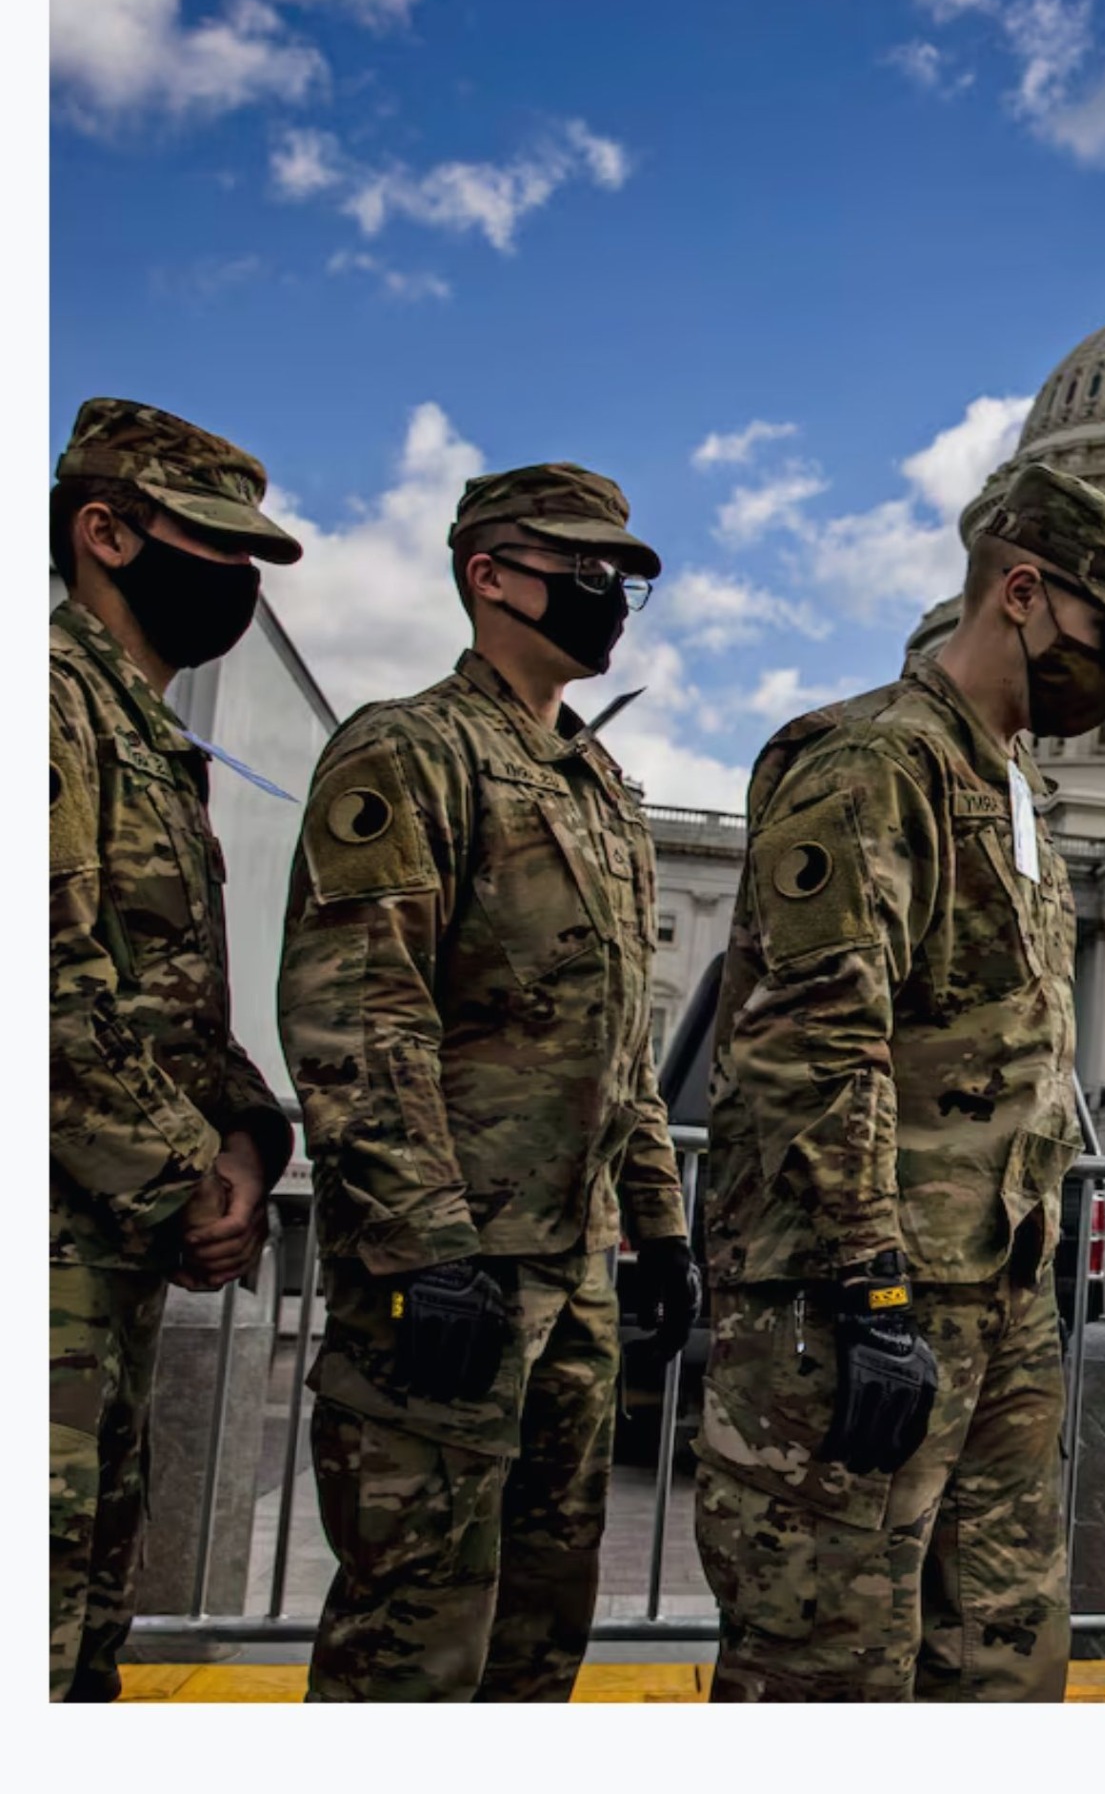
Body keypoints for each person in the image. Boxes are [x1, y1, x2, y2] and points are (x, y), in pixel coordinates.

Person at [694, 461, 1105, 1701]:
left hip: (994, 1294)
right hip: (860, 1295)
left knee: (1000, 1653)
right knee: (827, 1668)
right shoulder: (871, 764)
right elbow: (816, 1039)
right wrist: (871, 1286)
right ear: (1021, 593)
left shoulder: (1005, 795)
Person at [278, 463, 696, 1701]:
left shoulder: (603, 791)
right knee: (412, 1634)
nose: (610, 593)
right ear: (490, 575)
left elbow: (622, 1050)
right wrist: (423, 1247)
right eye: (584, 568)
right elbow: (359, 1009)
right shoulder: (409, 750)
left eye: (623, 575)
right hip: (449, 1280)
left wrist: (661, 1228)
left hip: (571, 1282)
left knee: (538, 1632)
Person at [49, 398, 305, 1701]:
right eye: (213, 547)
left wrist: (246, 1153)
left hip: (104, 1270)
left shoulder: (154, 750)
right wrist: (185, 1176)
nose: (239, 584)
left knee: (83, 1622)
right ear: (103, 532)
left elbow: (182, 1016)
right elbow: (46, 991)